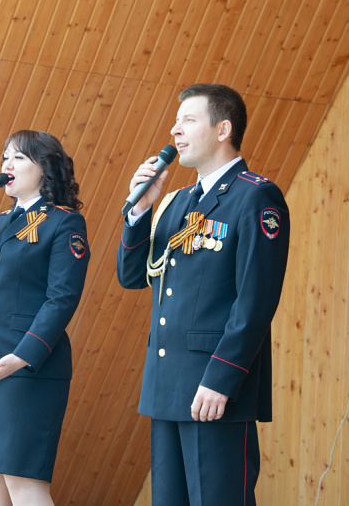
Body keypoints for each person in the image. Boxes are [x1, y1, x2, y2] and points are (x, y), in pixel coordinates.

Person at [116, 84, 290, 506]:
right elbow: (133, 276)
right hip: (167, 384)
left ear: (222, 130)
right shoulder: (175, 202)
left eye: (188, 120)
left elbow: (255, 301)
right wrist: (140, 210)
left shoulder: (255, 196)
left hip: (214, 388)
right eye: (176, 122)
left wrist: (220, 379)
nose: (175, 131)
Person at [0, 130, 90, 505]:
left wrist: (23, 355)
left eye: (19, 158)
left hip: (29, 367)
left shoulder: (63, 222)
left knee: (23, 483)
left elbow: (62, 298)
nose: (7, 165)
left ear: (45, 168)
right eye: (5, 157)